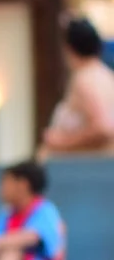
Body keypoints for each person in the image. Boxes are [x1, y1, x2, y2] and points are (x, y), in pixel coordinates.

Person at [39, 16, 114, 159]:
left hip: (81, 167)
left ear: (69, 48)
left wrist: (61, 142)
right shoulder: (107, 76)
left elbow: (103, 128)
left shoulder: (85, 80)